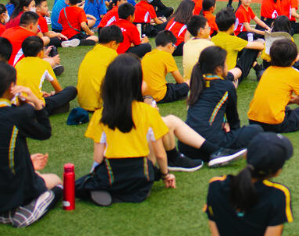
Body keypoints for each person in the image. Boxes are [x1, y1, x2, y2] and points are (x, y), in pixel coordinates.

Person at [74, 54, 177, 206]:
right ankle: (137, 191)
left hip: (112, 172)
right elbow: (160, 155)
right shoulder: (149, 112)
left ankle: (109, 190)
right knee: (149, 173)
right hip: (141, 172)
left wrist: (94, 174)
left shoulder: (100, 114)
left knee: (78, 185)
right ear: (137, 83)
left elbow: (98, 158)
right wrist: (165, 175)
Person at [0, 62, 63, 228]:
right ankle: (18, 212)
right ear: (12, 87)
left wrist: (26, 161)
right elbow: (45, 132)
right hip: (12, 190)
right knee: (57, 182)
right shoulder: (15, 115)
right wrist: (35, 101)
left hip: (9, 178)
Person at [179, 46, 262, 164]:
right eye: (226, 63)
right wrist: (234, 135)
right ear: (218, 69)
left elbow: (200, 115)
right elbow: (234, 121)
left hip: (187, 146)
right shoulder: (226, 86)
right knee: (256, 129)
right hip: (211, 143)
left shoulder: (195, 84)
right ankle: (224, 153)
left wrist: (222, 123)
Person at [248, 39, 299, 132]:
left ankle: (296, 117)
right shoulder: (294, 74)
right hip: (276, 124)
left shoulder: (267, 71)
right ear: (295, 59)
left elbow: (272, 97)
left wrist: (294, 100)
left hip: (253, 121)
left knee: (287, 108)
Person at [15, 36, 77, 116]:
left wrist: (41, 93)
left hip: (19, 104)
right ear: (40, 53)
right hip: (36, 106)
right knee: (71, 90)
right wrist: (54, 93)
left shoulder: (18, 64)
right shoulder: (44, 64)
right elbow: (58, 90)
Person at [77, 25, 122, 112]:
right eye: (118, 45)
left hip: (83, 103)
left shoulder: (90, 53)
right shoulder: (112, 54)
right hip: (101, 104)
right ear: (113, 43)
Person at [213, 8, 264, 82]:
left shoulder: (213, 39)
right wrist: (261, 42)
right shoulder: (234, 40)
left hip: (216, 73)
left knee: (242, 48)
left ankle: (257, 67)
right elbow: (261, 47)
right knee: (251, 49)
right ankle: (258, 69)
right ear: (232, 26)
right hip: (232, 76)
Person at [142, 31, 189, 104]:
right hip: (159, 96)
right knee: (187, 85)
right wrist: (185, 84)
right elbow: (180, 81)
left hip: (144, 95)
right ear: (170, 45)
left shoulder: (147, 55)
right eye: (174, 47)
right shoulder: (167, 56)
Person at [183, 15, 214, 81]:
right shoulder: (209, 45)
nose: (209, 29)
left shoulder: (187, 44)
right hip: (202, 82)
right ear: (201, 31)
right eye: (208, 28)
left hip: (187, 81)